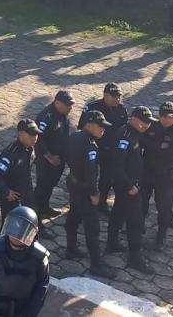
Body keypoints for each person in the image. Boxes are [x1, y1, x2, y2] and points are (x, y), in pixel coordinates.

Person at [64, 110, 115, 279]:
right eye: (100, 127)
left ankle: (71, 249)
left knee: (73, 216)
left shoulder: (74, 137)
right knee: (92, 227)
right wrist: (95, 193)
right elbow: (91, 172)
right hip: (85, 190)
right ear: (89, 124)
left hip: (73, 184)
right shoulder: (90, 145)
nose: (103, 130)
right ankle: (96, 264)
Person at [106, 106, 155, 273]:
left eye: (148, 123)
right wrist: (129, 186)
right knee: (135, 221)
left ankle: (112, 243)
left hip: (129, 183)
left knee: (118, 212)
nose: (145, 125)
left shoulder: (134, 133)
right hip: (126, 186)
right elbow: (117, 165)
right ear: (133, 119)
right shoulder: (125, 136)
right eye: (143, 122)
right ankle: (135, 257)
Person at [0, 206, 49, 317]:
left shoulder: (39, 257)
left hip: (22, 311)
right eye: (14, 227)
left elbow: (41, 290)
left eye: (23, 230)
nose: (17, 235)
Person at [141, 102, 173, 248]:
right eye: (163, 116)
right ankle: (138, 227)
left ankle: (160, 238)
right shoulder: (152, 126)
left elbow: (172, 155)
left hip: (165, 176)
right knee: (141, 203)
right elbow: (142, 141)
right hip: (147, 171)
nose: (166, 119)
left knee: (163, 207)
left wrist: (153, 145)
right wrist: (159, 146)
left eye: (170, 117)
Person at [77, 83, 128, 214]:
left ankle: (102, 201)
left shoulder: (121, 109)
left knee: (107, 178)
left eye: (119, 96)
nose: (117, 99)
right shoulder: (92, 108)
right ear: (105, 95)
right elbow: (82, 128)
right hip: (93, 147)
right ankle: (84, 203)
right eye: (114, 96)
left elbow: (124, 129)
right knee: (87, 176)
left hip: (110, 150)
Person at [0, 120, 44, 234]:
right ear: (20, 135)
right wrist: (6, 192)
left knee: (32, 216)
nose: (35, 138)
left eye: (36, 135)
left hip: (26, 191)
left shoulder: (30, 148)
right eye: (31, 135)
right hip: (13, 197)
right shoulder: (11, 153)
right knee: (9, 225)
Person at [33, 90, 75, 219]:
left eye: (71, 105)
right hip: (46, 160)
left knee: (50, 185)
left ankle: (45, 208)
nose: (70, 108)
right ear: (57, 102)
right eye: (67, 105)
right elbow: (38, 139)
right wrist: (49, 157)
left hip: (59, 159)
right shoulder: (46, 116)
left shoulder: (63, 114)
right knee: (42, 187)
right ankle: (35, 215)